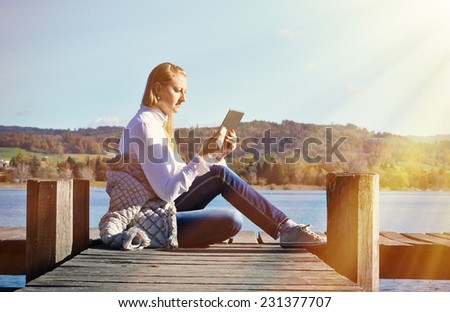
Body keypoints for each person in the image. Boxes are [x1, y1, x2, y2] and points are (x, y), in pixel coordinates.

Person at [100, 62, 326, 249]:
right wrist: (200, 156)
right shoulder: (144, 124)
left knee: (219, 174)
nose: (184, 98)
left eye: (185, 92)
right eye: (178, 90)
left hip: (162, 206)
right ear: (158, 89)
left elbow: (177, 178)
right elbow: (168, 192)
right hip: (150, 216)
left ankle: (285, 227)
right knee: (231, 220)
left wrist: (218, 155)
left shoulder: (155, 124)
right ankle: (285, 228)